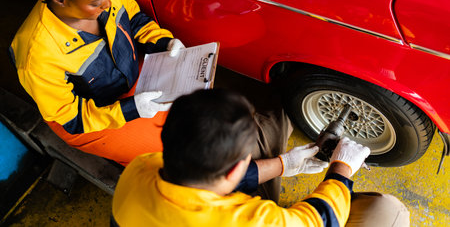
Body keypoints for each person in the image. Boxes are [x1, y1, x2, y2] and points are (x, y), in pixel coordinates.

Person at [112, 89, 410, 227]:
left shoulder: (142, 167)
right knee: (387, 214)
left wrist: (285, 164)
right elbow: (321, 220)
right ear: (233, 173)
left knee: (274, 123)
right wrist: (342, 169)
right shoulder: (248, 221)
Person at [9, 0, 185, 166]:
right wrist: (130, 110)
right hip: (90, 117)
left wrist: (163, 42)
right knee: (171, 155)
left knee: (195, 116)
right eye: (97, 3)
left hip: (128, 75)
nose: (108, 4)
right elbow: (71, 117)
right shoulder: (37, 56)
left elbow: (133, 18)